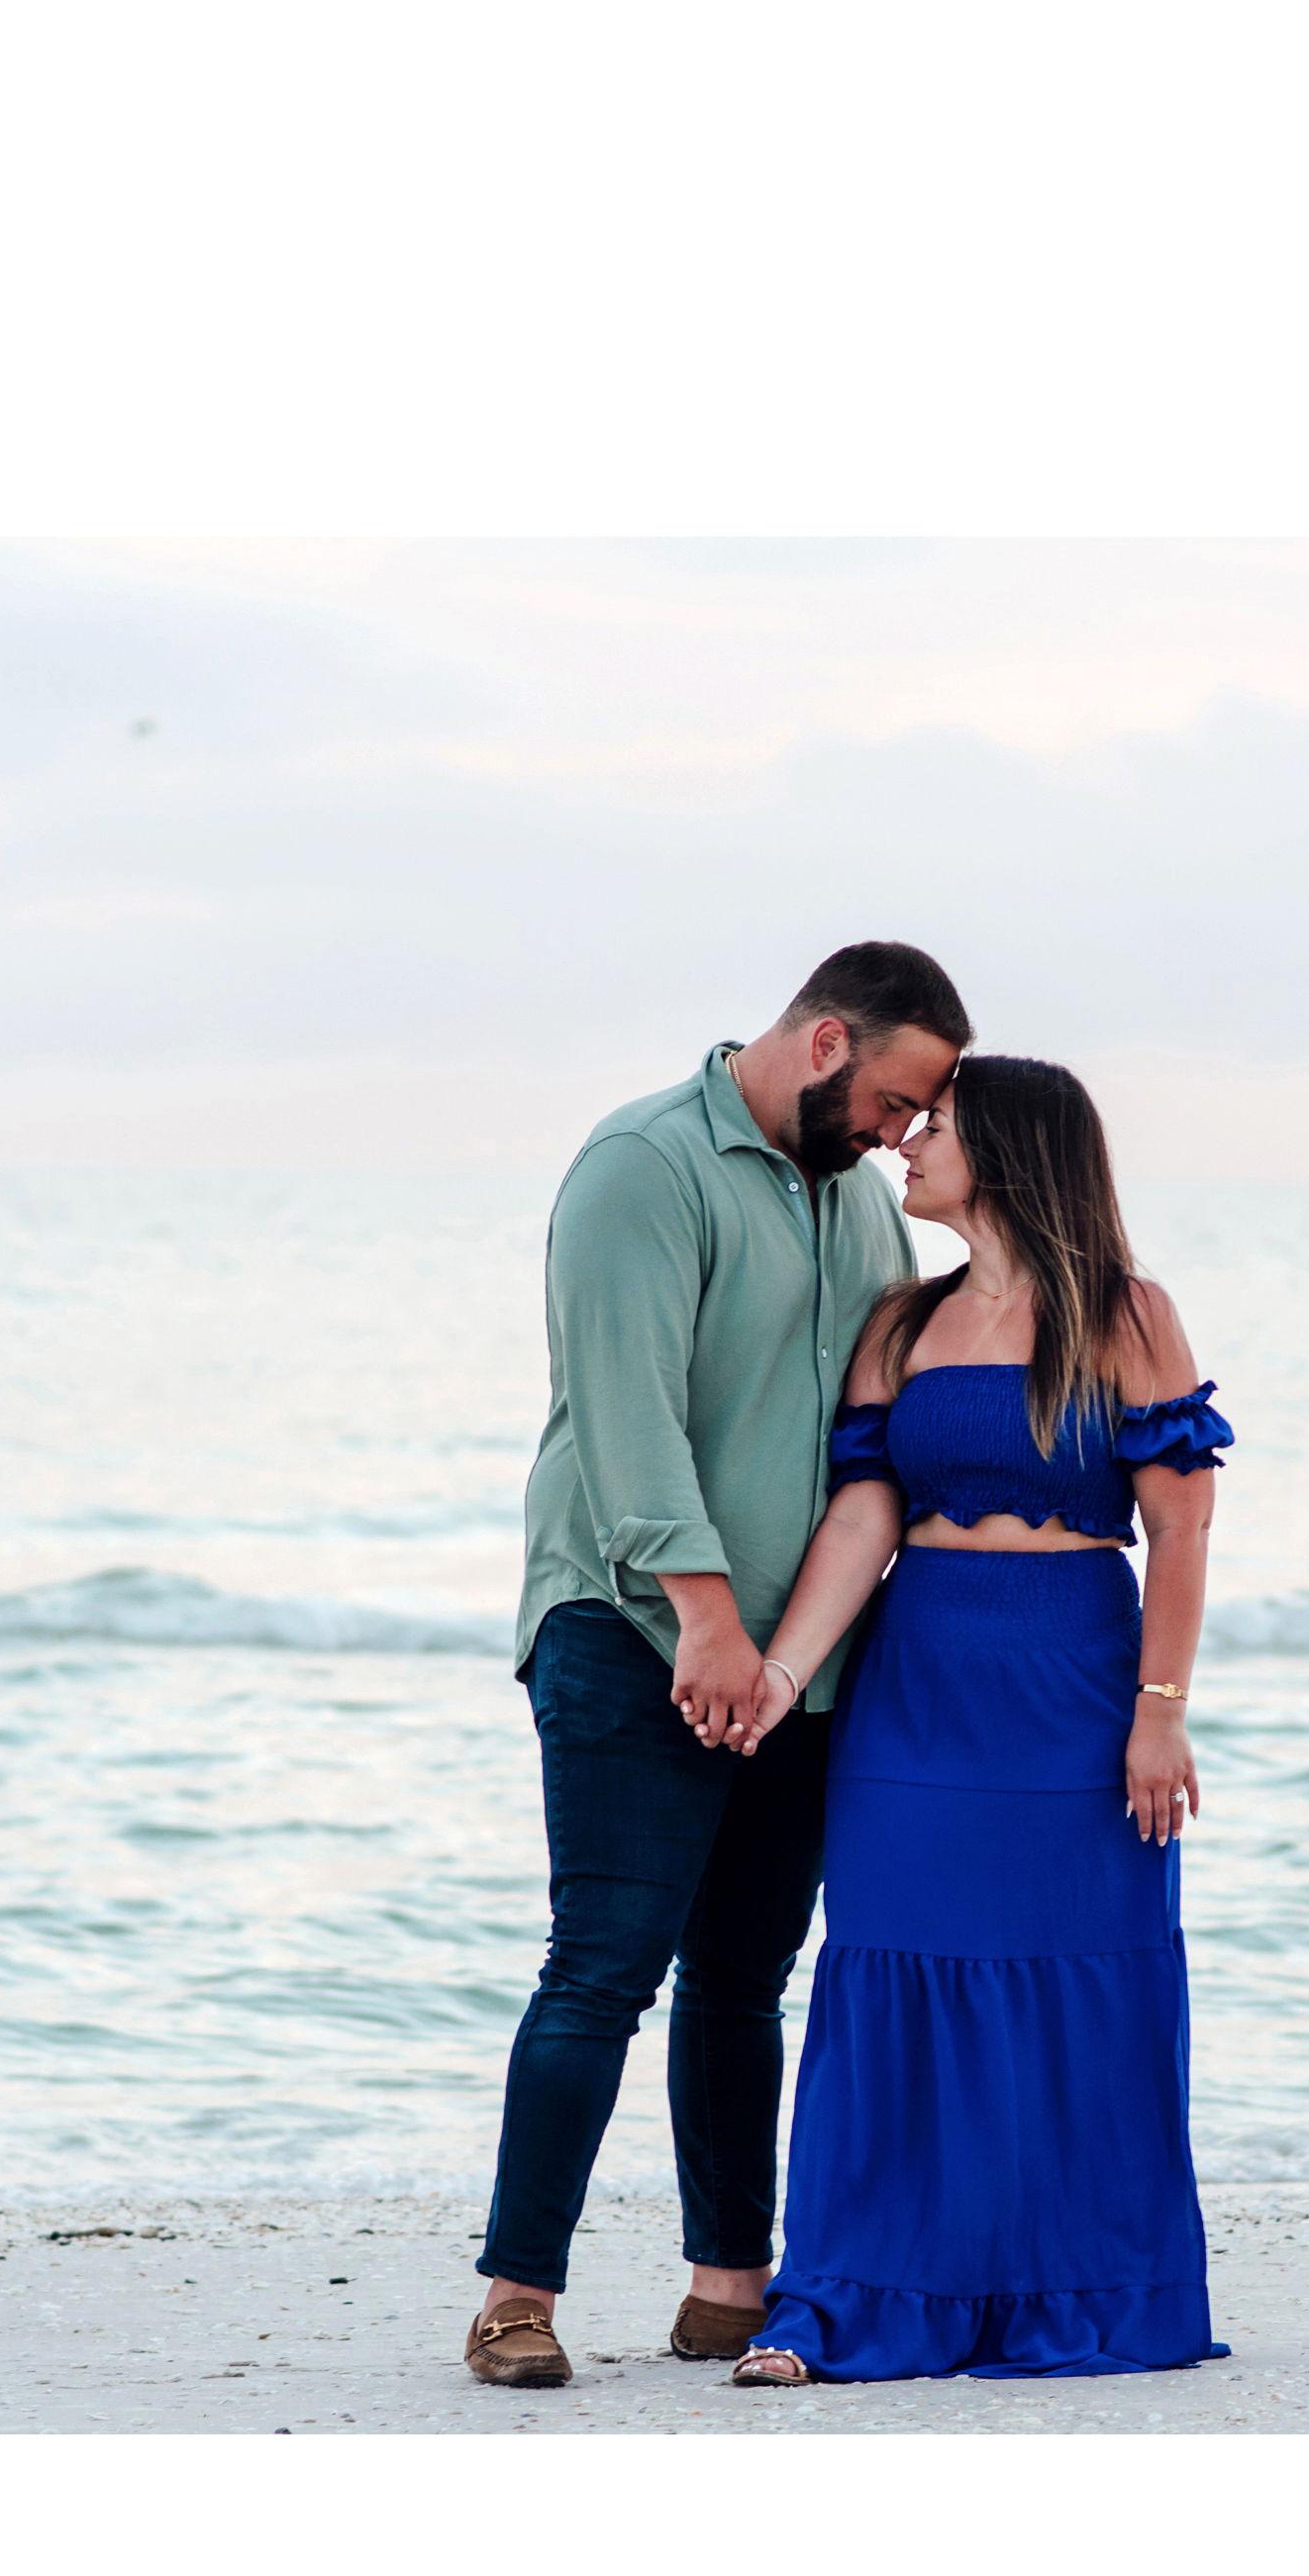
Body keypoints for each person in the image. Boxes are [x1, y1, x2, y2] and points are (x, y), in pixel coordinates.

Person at [466, 942, 970, 2388]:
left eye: (917, 1117)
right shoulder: (642, 1167)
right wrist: (704, 1618)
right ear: (826, 1043)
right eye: (891, 1101)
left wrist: (791, 1650)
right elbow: (625, 1413)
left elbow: (866, 1436)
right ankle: (516, 2297)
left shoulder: (857, 1205)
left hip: (795, 1662)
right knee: (601, 1967)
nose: (898, 1135)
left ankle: (727, 2287)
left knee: (747, 1978)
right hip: (631, 1629)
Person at [724, 1055, 1234, 2383]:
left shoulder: (1127, 1314)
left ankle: (1074, 2290)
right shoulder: (902, 1321)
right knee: (889, 1970)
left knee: (1082, 1982)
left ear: (1007, 1150)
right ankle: (849, 2297)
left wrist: (1160, 1714)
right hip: (917, 1691)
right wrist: (780, 1672)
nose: (906, 1143)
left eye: (933, 1126)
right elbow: (865, 1515)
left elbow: (1182, 1528)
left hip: (1075, 1687)